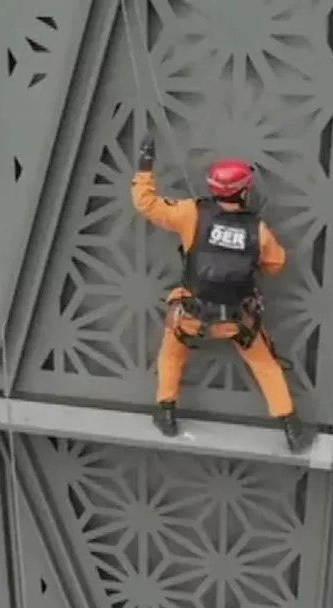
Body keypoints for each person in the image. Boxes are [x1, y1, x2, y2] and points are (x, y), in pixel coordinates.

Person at [130, 137, 314, 453]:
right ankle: (291, 427)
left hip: (190, 314)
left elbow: (145, 204)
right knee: (265, 364)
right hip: (236, 321)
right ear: (245, 190)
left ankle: (166, 412)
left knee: (171, 352)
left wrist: (145, 166)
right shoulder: (258, 229)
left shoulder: (190, 213)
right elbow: (275, 264)